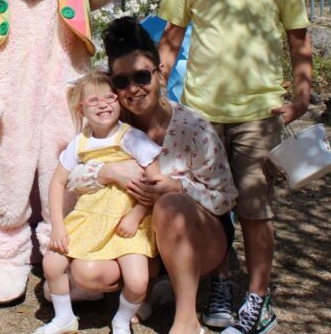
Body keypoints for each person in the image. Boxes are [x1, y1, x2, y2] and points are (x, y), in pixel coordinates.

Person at [157, 0, 313, 334]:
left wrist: (301, 94)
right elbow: (170, 39)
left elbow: (298, 41)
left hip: (258, 112)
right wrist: (160, 97)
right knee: (209, 205)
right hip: (201, 114)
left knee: (254, 207)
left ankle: (259, 298)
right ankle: (222, 283)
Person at [66, 17, 238, 334]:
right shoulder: (110, 126)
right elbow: (69, 178)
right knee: (87, 274)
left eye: (142, 76)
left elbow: (226, 198)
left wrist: (179, 186)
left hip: (203, 239)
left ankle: (187, 319)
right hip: (139, 240)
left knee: (170, 206)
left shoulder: (193, 127)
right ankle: (147, 291)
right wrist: (106, 172)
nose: (133, 89)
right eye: (121, 81)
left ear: (160, 73)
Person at [37, 72, 160, 334]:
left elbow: (155, 181)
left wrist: (137, 215)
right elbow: (57, 183)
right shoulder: (79, 142)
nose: (103, 104)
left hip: (127, 221)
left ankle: (122, 319)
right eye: (93, 100)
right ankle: (64, 318)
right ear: (80, 108)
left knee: (138, 282)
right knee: (52, 263)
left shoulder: (132, 138)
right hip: (89, 216)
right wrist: (58, 226)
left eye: (110, 97)